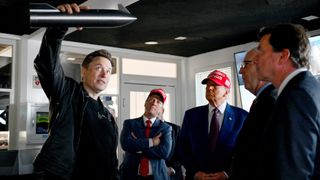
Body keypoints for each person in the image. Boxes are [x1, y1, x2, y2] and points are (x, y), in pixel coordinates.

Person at [32, 3, 119, 180]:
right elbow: (46, 64)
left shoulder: (108, 115)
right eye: (99, 68)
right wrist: (59, 27)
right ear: (84, 71)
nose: (104, 74)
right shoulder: (67, 93)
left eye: (109, 70)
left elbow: (111, 158)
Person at [255, 23, 320, 180]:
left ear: (283, 55)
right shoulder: (307, 87)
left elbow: (294, 172)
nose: (256, 58)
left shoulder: (296, 97)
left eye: (261, 51)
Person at [178, 70, 248, 180]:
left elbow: (246, 152)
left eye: (214, 85)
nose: (209, 88)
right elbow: (182, 148)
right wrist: (195, 172)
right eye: (208, 85)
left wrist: (227, 173)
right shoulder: (191, 115)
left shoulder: (242, 117)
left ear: (226, 92)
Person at [230, 48, 277, 180]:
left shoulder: (271, 101)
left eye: (245, 64)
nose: (240, 71)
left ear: (261, 66)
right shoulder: (262, 100)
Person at [120, 88, 172, 180]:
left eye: (158, 102)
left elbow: (164, 153)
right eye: (152, 99)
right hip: (131, 175)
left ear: (161, 110)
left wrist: (138, 148)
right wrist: (151, 142)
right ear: (145, 103)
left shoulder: (165, 128)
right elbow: (126, 144)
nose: (154, 102)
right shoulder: (129, 124)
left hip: (157, 177)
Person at [158, 108, 183, 180]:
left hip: (173, 175)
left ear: (162, 110)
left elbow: (182, 153)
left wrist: (171, 168)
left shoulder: (176, 129)